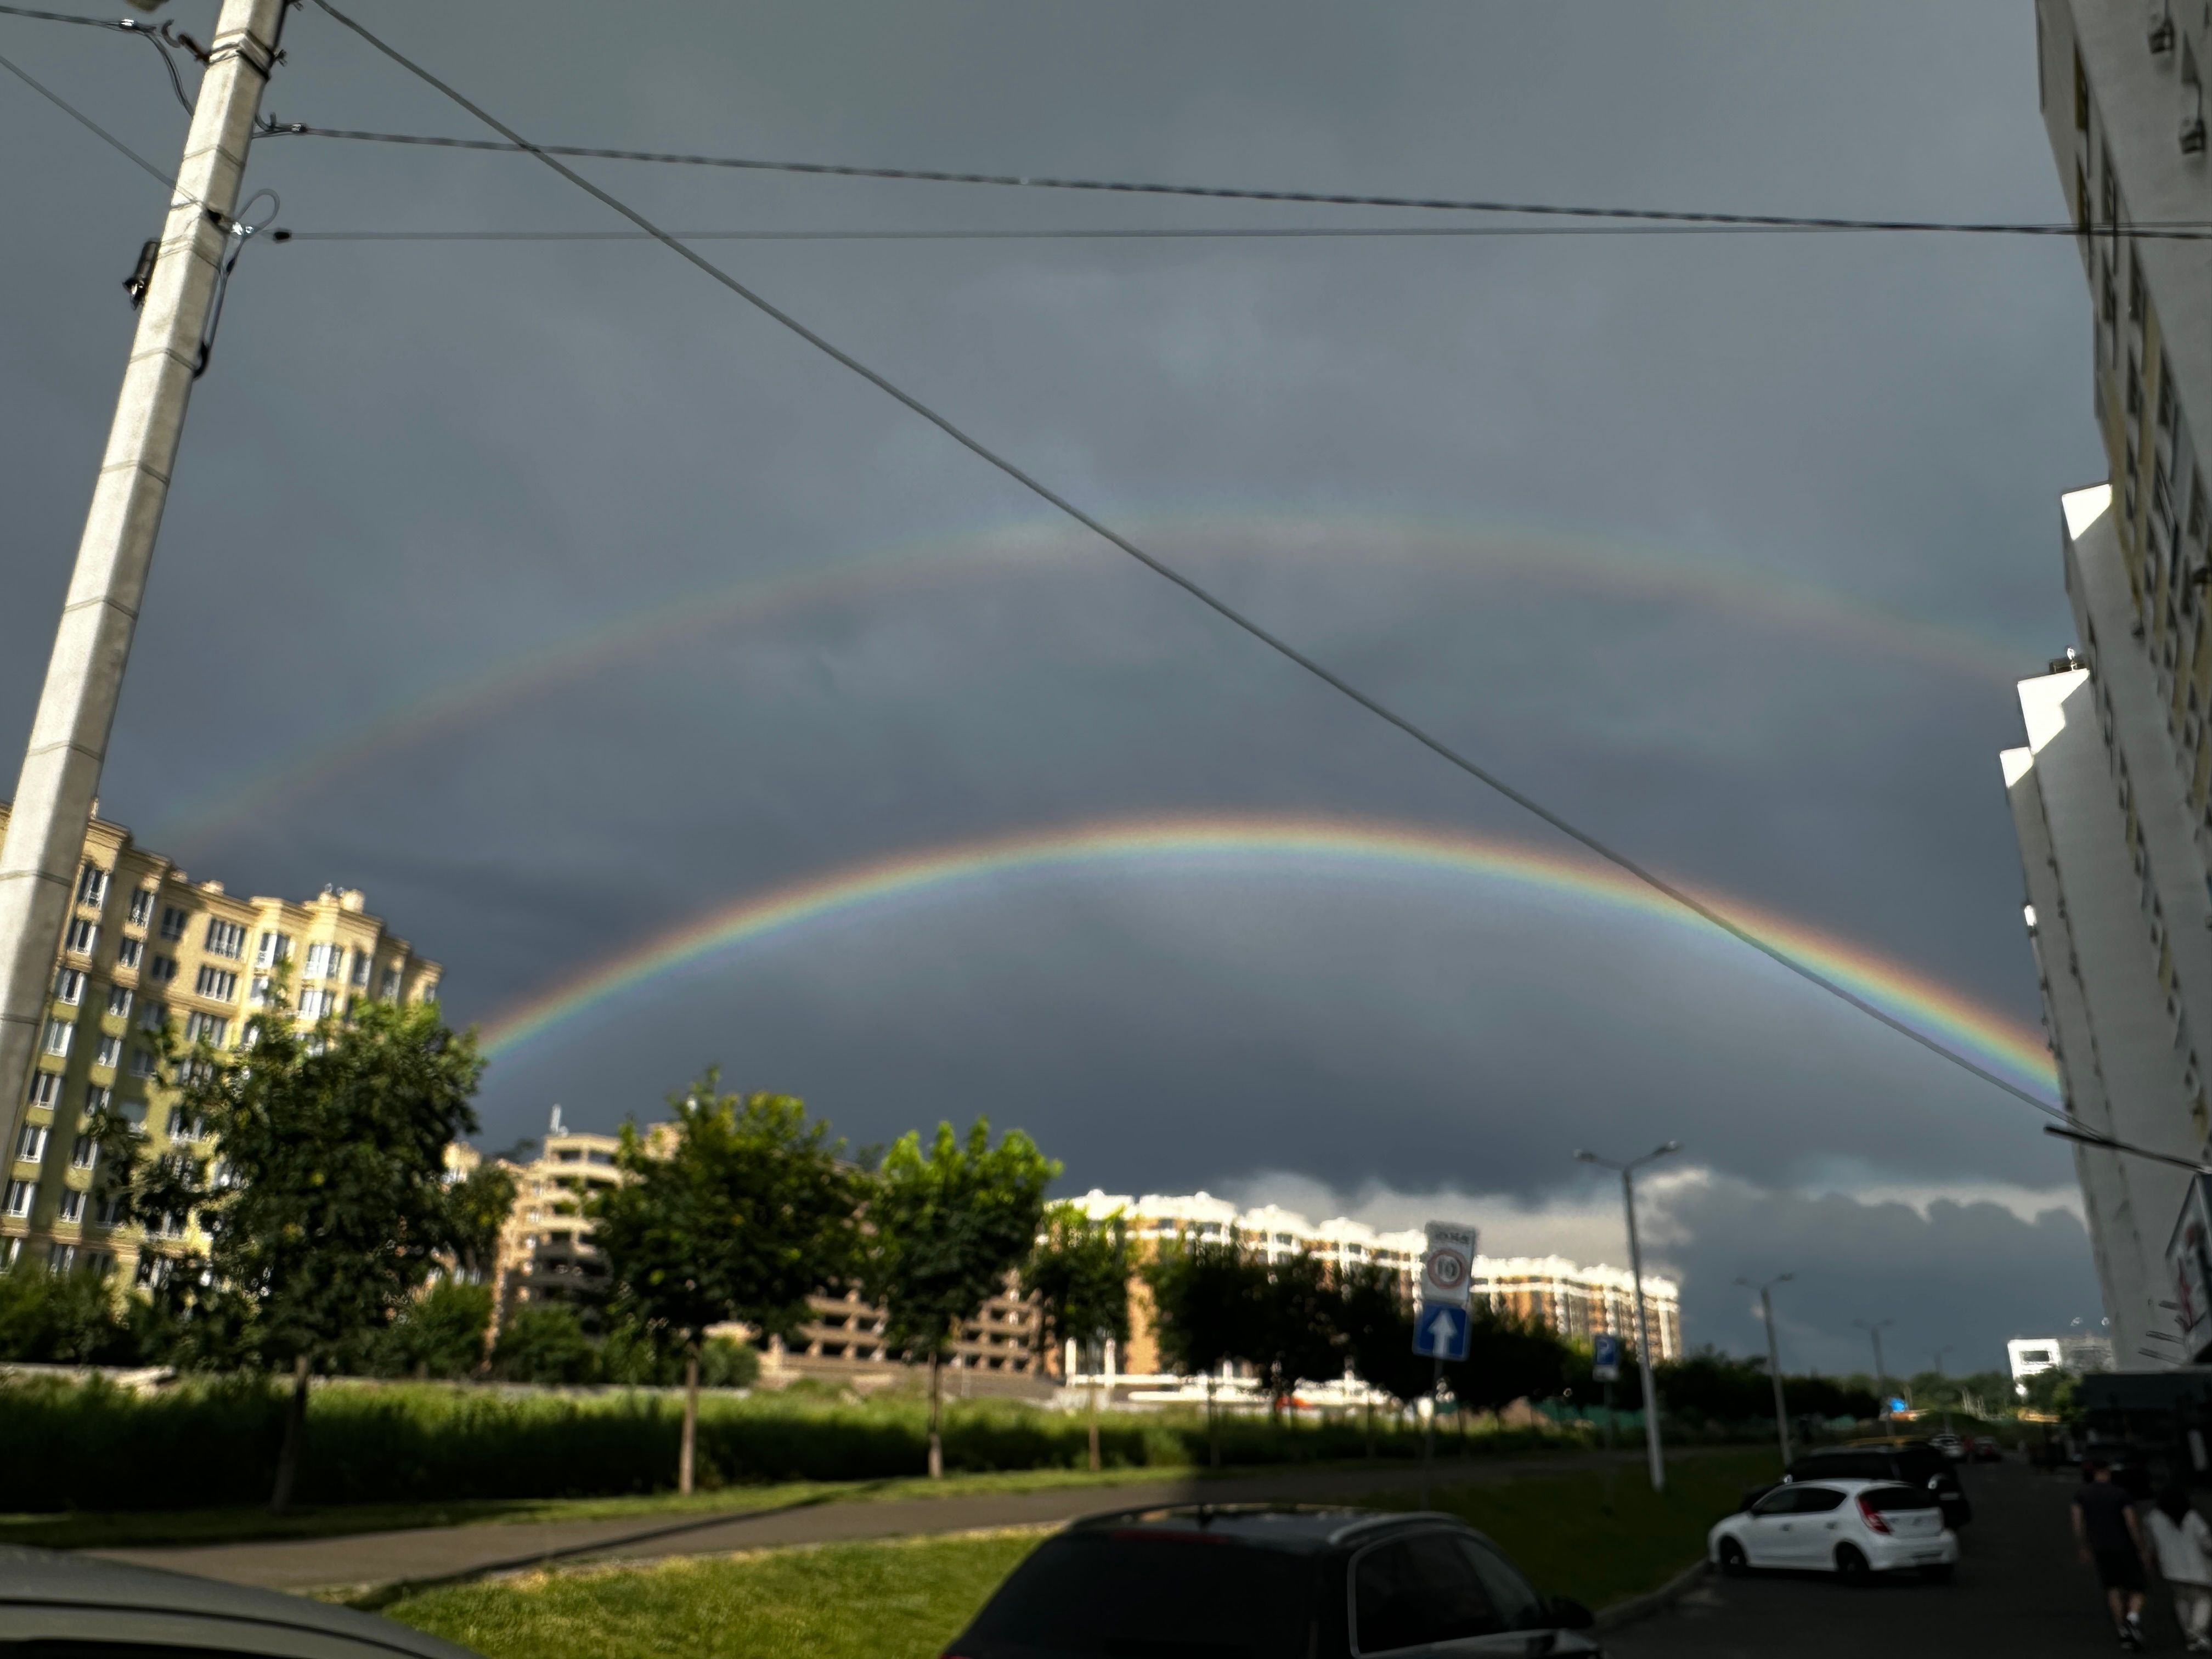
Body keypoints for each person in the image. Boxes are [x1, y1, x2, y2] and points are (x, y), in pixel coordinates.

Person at [2076, 1456, 2151, 1650]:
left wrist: (2084, 1546)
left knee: (2113, 1588)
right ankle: (2132, 1619)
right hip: (2124, 1546)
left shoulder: (2082, 1495)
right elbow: (2131, 1522)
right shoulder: (2121, 1494)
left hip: (2101, 1548)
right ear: (2108, 1472)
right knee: (2138, 1587)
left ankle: (2123, 1631)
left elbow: (2078, 1523)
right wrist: (2141, 1547)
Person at [2149, 1485, 2212, 1653]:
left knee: (2182, 1601)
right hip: (2198, 1570)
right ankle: (2196, 1632)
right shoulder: (2192, 1517)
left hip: (2171, 1569)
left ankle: (2189, 1636)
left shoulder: (2154, 1518)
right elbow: (2207, 1543)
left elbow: (2151, 1543)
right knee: (2203, 1600)